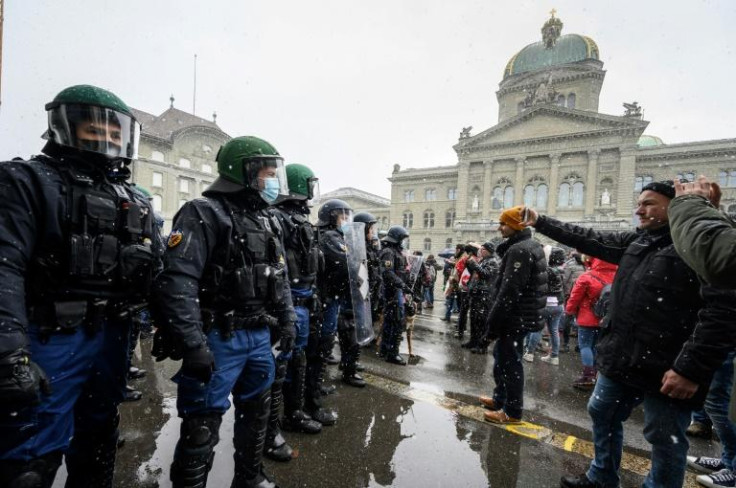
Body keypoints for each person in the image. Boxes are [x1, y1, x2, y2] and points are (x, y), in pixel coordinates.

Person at [524, 180, 736, 488]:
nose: (639, 209)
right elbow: (588, 237)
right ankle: (602, 476)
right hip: (623, 356)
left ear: (675, 206)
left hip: (670, 365)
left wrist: (689, 369)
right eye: (639, 202)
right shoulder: (639, 240)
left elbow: (724, 310)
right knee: (601, 411)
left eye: (649, 203)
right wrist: (540, 221)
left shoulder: (697, 245)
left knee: (665, 438)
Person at [0, 85, 162, 487]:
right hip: (51, 334)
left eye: (115, 132)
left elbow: (162, 271)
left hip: (113, 335)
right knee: (30, 457)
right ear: (66, 126)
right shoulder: (26, 181)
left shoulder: (134, 198)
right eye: (95, 129)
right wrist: (8, 354)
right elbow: (5, 268)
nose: (106, 139)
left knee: (98, 435)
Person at [152, 135, 296, 488]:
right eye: (266, 172)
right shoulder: (203, 212)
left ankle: (249, 479)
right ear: (243, 171)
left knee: (258, 416)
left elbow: (281, 276)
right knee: (201, 428)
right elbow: (178, 281)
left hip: (260, 335)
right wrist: (192, 343)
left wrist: (288, 319)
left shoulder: (269, 220)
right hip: (219, 336)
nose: (272, 179)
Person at [265, 164, 323, 462]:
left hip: (302, 303)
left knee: (296, 362)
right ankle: (269, 429)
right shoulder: (277, 217)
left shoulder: (299, 219)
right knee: (279, 368)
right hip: (286, 306)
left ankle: (294, 413)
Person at [478, 206, 547, 424]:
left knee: (509, 363)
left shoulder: (520, 250)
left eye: (503, 223)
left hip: (514, 318)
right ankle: (500, 399)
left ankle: (512, 411)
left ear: (516, 225)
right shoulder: (527, 246)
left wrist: (492, 326)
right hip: (520, 316)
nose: (499, 228)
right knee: (502, 359)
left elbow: (508, 292)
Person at [317, 199, 366, 388]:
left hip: (338, 294)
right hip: (330, 296)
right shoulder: (330, 236)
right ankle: (316, 384)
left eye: (348, 216)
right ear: (331, 217)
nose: (346, 220)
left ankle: (318, 382)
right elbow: (346, 262)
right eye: (342, 216)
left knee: (331, 337)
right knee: (325, 338)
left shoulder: (340, 237)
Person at [564, 257, 617, 390]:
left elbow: (575, 296)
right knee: (595, 346)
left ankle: (588, 376)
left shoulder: (587, 276)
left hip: (587, 318)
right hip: (606, 319)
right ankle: (596, 374)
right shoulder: (618, 276)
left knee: (585, 346)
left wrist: (569, 310)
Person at [379, 225, 413, 365]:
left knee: (391, 321)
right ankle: (392, 353)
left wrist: (407, 279)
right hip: (392, 291)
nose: (404, 242)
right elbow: (388, 273)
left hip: (397, 290)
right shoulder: (388, 252)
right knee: (396, 322)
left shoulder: (397, 252)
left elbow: (399, 271)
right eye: (402, 239)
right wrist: (401, 284)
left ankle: (385, 350)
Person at [463, 242, 499, 354]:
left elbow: (486, 275)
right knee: (474, 319)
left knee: (481, 321)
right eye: (481, 249)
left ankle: (481, 346)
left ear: (489, 250)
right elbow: (475, 273)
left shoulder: (493, 262)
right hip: (477, 294)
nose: (481, 251)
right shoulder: (483, 260)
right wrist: (469, 264)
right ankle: (473, 341)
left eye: (483, 249)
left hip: (484, 295)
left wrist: (475, 265)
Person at [353, 212, 384, 344]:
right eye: (371, 229)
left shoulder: (371, 246)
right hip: (363, 289)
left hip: (372, 288)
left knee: (370, 314)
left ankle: (366, 335)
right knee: (361, 316)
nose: (373, 232)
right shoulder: (358, 247)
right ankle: (359, 339)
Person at [560, 251, 586, 352]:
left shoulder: (569, 265)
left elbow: (565, 280)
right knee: (581, 319)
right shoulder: (587, 266)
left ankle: (565, 344)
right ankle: (580, 345)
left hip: (571, 295)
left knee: (568, 319)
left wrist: (565, 293)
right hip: (583, 296)